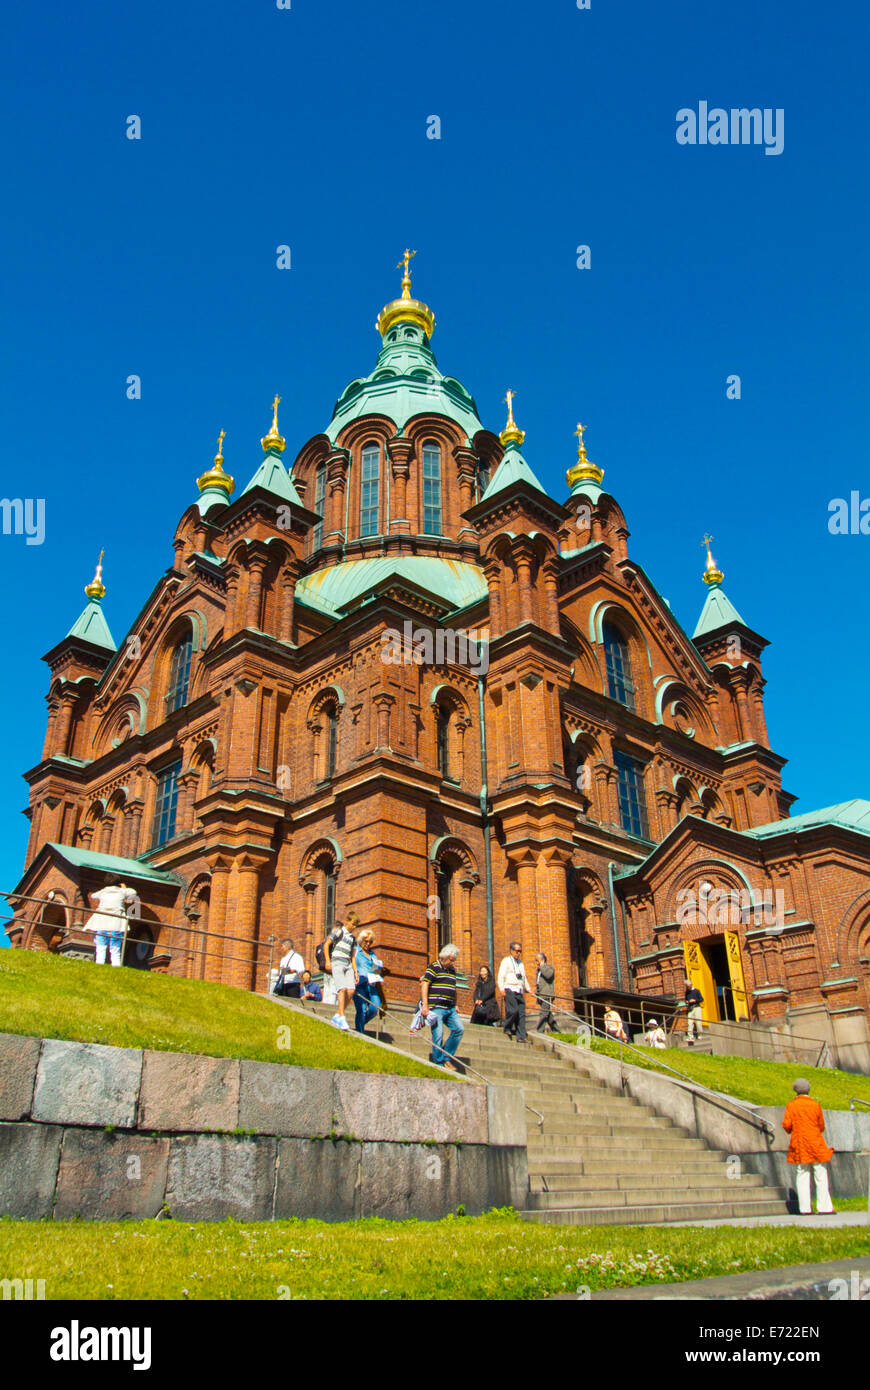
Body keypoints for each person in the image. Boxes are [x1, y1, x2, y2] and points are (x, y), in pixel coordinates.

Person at [782, 1078, 835, 1215]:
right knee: (821, 1174)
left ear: (796, 1091)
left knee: (802, 1174)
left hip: (800, 1144)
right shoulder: (815, 1105)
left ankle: (805, 1208)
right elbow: (821, 1126)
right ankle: (825, 1207)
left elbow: (787, 1126)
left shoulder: (791, 1105)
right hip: (816, 1143)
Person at [421, 943, 464, 1070]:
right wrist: (425, 1005)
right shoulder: (434, 967)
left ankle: (446, 1057)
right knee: (438, 1034)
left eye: (453, 961)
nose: (452, 963)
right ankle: (438, 1062)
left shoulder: (452, 970)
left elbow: (453, 988)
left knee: (459, 1029)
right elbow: (425, 985)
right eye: (451, 960)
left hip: (450, 1008)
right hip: (436, 1007)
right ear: (444, 956)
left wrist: (455, 1004)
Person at [84, 879, 139, 967]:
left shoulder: (103, 892)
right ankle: (116, 966)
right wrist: (124, 888)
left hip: (102, 924)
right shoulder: (121, 892)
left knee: (101, 948)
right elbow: (133, 892)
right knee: (115, 949)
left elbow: (93, 896)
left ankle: (99, 965)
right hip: (116, 924)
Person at [497, 941, 535, 1042]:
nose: (518, 953)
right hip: (509, 988)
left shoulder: (521, 963)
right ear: (511, 951)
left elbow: (523, 977)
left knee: (521, 1014)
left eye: (520, 951)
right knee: (513, 1010)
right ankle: (507, 1026)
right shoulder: (506, 961)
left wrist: (528, 989)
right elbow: (501, 975)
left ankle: (521, 1036)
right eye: (517, 951)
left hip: (519, 990)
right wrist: (501, 988)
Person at [324, 918, 357, 1030]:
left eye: (356, 925)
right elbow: (326, 944)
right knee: (342, 989)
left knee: (351, 990)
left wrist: (355, 972)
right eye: (353, 924)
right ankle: (342, 1017)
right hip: (337, 961)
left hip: (347, 964)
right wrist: (328, 961)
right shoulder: (339, 932)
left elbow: (353, 956)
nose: (354, 927)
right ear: (347, 921)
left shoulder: (353, 939)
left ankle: (338, 1014)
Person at [353, 929, 384, 1033]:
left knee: (375, 1008)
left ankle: (360, 1023)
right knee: (361, 1009)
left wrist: (378, 971)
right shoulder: (356, 951)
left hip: (371, 984)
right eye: (366, 941)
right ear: (361, 940)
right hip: (360, 983)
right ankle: (360, 1031)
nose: (368, 944)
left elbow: (376, 968)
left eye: (370, 942)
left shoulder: (373, 954)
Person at [534, 952, 558, 1033]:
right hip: (541, 996)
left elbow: (548, 975)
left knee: (543, 1013)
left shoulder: (549, 968)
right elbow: (538, 983)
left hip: (547, 995)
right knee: (548, 1016)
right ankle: (557, 1031)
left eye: (537, 960)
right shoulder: (539, 970)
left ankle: (539, 1031)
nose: (536, 963)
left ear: (542, 960)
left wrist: (542, 966)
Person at [684, 979, 704, 1043]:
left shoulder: (697, 991)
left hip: (697, 1007)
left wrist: (694, 1000)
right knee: (690, 1023)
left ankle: (700, 1035)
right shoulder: (687, 992)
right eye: (686, 986)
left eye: (688, 986)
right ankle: (690, 1036)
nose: (687, 988)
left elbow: (701, 999)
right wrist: (687, 1001)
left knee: (698, 1022)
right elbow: (686, 999)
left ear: (690, 985)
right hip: (690, 1008)